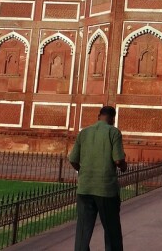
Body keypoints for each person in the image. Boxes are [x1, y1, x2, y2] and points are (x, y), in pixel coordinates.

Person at [69, 106, 128, 251]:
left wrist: (82, 171)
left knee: (83, 230)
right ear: (113, 118)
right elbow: (118, 160)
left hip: (85, 188)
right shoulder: (113, 132)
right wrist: (123, 166)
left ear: (98, 116)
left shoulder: (84, 132)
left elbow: (73, 159)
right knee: (111, 229)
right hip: (105, 189)